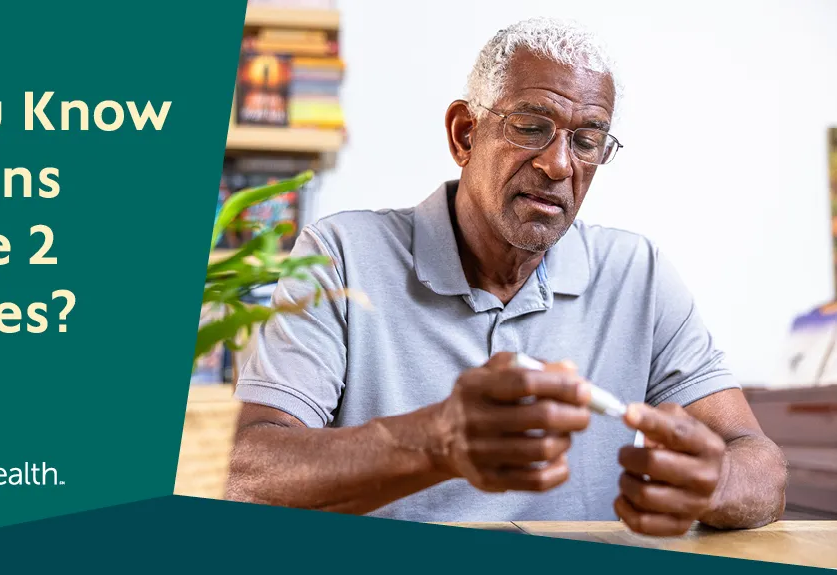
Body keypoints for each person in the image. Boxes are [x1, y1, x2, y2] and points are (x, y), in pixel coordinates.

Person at [225, 17, 787, 536]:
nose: (560, 164)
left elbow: (759, 462)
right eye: (531, 126)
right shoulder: (341, 255)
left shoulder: (636, 274)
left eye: (587, 140)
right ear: (464, 135)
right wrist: (434, 440)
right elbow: (244, 472)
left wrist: (716, 484)